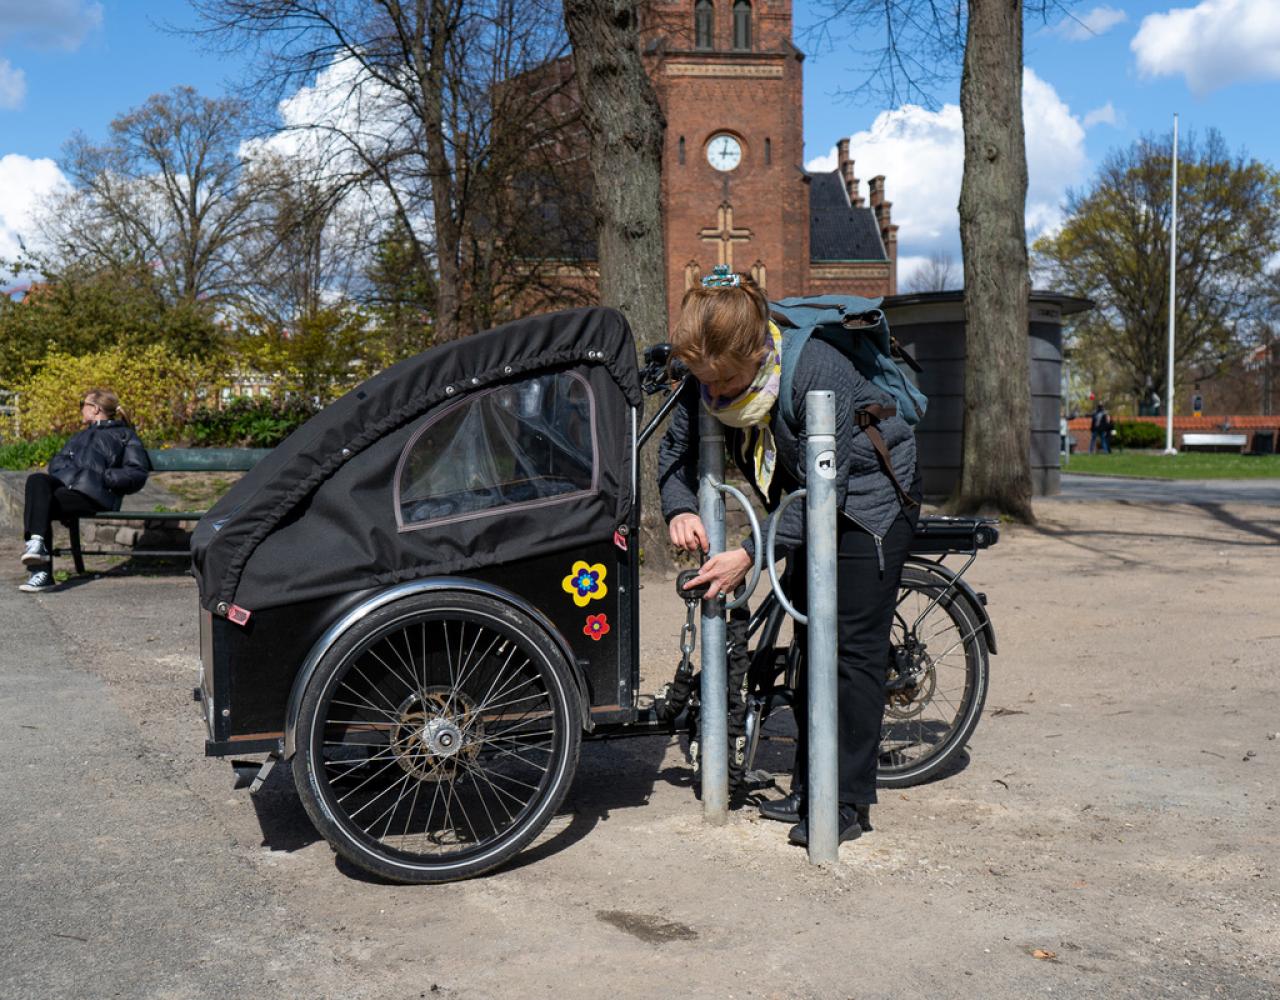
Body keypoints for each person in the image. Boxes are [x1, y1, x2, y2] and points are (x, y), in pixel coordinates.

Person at [657, 272, 920, 846]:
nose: (717, 396)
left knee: (849, 648)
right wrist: (680, 507)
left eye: (727, 380)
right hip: (802, 499)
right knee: (807, 644)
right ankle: (810, 781)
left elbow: (834, 493)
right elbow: (675, 451)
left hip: (870, 501)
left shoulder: (815, 366)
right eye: (706, 382)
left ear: (757, 349)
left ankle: (845, 801)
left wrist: (751, 553)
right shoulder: (705, 375)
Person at [18, 388, 149, 592]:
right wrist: (65, 471)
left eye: (83, 404)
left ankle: (41, 572)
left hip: (96, 495)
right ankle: (37, 546)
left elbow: (137, 472)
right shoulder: (79, 436)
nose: (80, 409)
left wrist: (106, 478)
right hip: (69, 490)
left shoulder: (125, 435)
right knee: (36, 481)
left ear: (95, 408)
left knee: (42, 506)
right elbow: (58, 462)